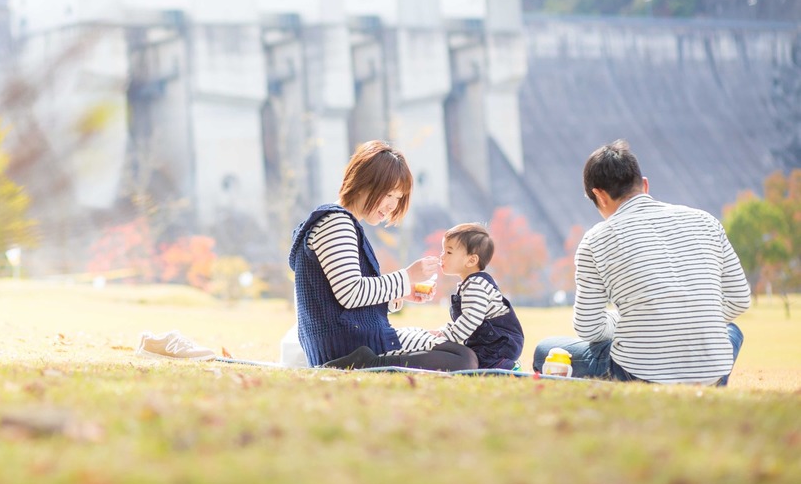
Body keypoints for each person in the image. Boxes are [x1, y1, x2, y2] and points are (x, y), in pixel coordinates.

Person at [532, 139, 751, 385]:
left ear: (599, 196)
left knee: (545, 350)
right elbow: (739, 299)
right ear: (645, 184)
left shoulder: (596, 240)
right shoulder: (706, 221)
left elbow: (589, 328)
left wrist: (637, 320)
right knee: (732, 331)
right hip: (712, 373)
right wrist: (684, 317)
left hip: (639, 374)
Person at [288, 140, 478, 371]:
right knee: (462, 358)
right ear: (363, 183)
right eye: (389, 195)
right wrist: (407, 276)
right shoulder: (337, 224)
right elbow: (351, 293)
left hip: (354, 341)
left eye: (398, 198)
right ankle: (367, 364)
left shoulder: (340, 223)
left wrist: (400, 293)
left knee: (462, 352)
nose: (392, 206)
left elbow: (338, 303)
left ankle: (372, 362)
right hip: (348, 348)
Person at [428, 223, 524, 370]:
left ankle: (508, 367)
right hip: (488, 341)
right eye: (443, 251)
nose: (442, 256)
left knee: (476, 363)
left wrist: (446, 336)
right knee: (469, 357)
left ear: (471, 260)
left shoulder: (475, 285)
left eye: (449, 252)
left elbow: (471, 319)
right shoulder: (469, 283)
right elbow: (464, 319)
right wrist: (442, 331)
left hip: (499, 342)